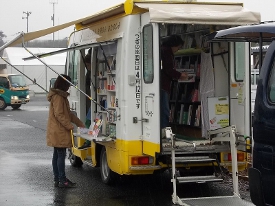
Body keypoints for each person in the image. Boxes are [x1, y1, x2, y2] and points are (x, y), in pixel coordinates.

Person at [46, 74, 85, 188]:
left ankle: (58, 179)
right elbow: (60, 114)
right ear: (64, 84)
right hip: (59, 131)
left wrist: (79, 123)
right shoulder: (58, 97)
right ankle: (62, 179)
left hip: (56, 130)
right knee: (60, 154)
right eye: (68, 84)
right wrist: (69, 126)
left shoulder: (60, 96)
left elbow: (68, 114)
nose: (69, 87)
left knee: (57, 154)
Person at [160, 35, 188, 130]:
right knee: (164, 109)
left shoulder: (162, 50)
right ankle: (164, 130)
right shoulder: (167, 52)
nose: (178, 49)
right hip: (163, 85)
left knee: (161, 108)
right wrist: (180, 75)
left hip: (160, 84)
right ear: (173, 45)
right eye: (178, 47)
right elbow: (168, 69)